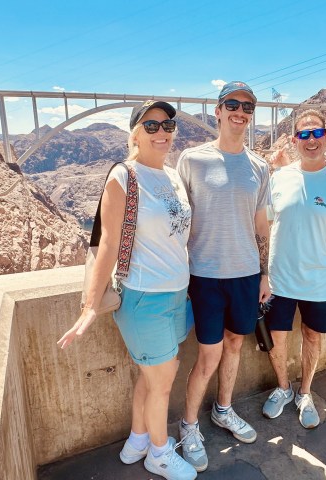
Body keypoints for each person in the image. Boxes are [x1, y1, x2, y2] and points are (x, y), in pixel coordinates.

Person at [57, 100, 197, 480]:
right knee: (163, 382)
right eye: (151, 126)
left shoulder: (172, 177)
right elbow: (107, 242)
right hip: (143, 298)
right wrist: (89, 306)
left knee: (152, 377)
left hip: (175, 296)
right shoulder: (124, 177)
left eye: (168, 125)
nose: (162, 132)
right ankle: (159, 453)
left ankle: (137, 440)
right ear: (134, 133)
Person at [175, 81, 271, 472]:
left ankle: (223, 409)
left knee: (234, 344)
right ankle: (188, 426)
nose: (240, 111)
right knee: (208, 354)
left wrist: (264, 273)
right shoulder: (192, 160)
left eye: (247, 106)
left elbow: (261, 226)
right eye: (232, 104)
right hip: (206, 276)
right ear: (217, 111)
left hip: (246, 275)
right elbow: (176, 221)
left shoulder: (259, 167)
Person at [262, 109, 326, 429]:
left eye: (316, 133)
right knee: (276, 337)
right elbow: (263, 226)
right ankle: (283, 388)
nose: (311, 140)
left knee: (312, 337)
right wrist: (261, 273)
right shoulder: (279, 178)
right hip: (279, 279)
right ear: (294, 141)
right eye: (303, 135)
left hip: (319, 282)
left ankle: (305, 392)